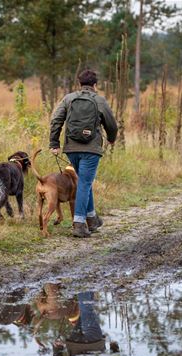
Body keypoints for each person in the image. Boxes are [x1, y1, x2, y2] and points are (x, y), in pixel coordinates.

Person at [49, 69, 118, 238]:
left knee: (84, 182)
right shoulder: (99, 100)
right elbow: (112, 124)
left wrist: (54, 143)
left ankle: (92, 219)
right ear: (95, 85)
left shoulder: (68, 99)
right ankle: (79, 224)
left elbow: (56, 119)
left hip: (72, 148)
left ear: (79, 84)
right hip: (91, 149)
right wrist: (111, 138)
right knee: (85, 184)